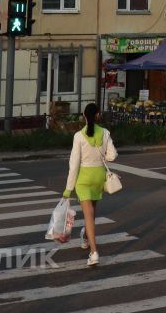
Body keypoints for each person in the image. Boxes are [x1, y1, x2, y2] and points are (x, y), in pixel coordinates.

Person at [63, 103, 117, 267]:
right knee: (91, 213)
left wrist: (68, 189)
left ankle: (94, 252)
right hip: (98, 177)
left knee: (88, 215)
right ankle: (86, 236)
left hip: (84, 179)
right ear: (98, 115)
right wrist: (102, 158)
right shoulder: (105, 133)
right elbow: (113, 155)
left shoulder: (78, 136)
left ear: (84, 116)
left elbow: (74, 164)